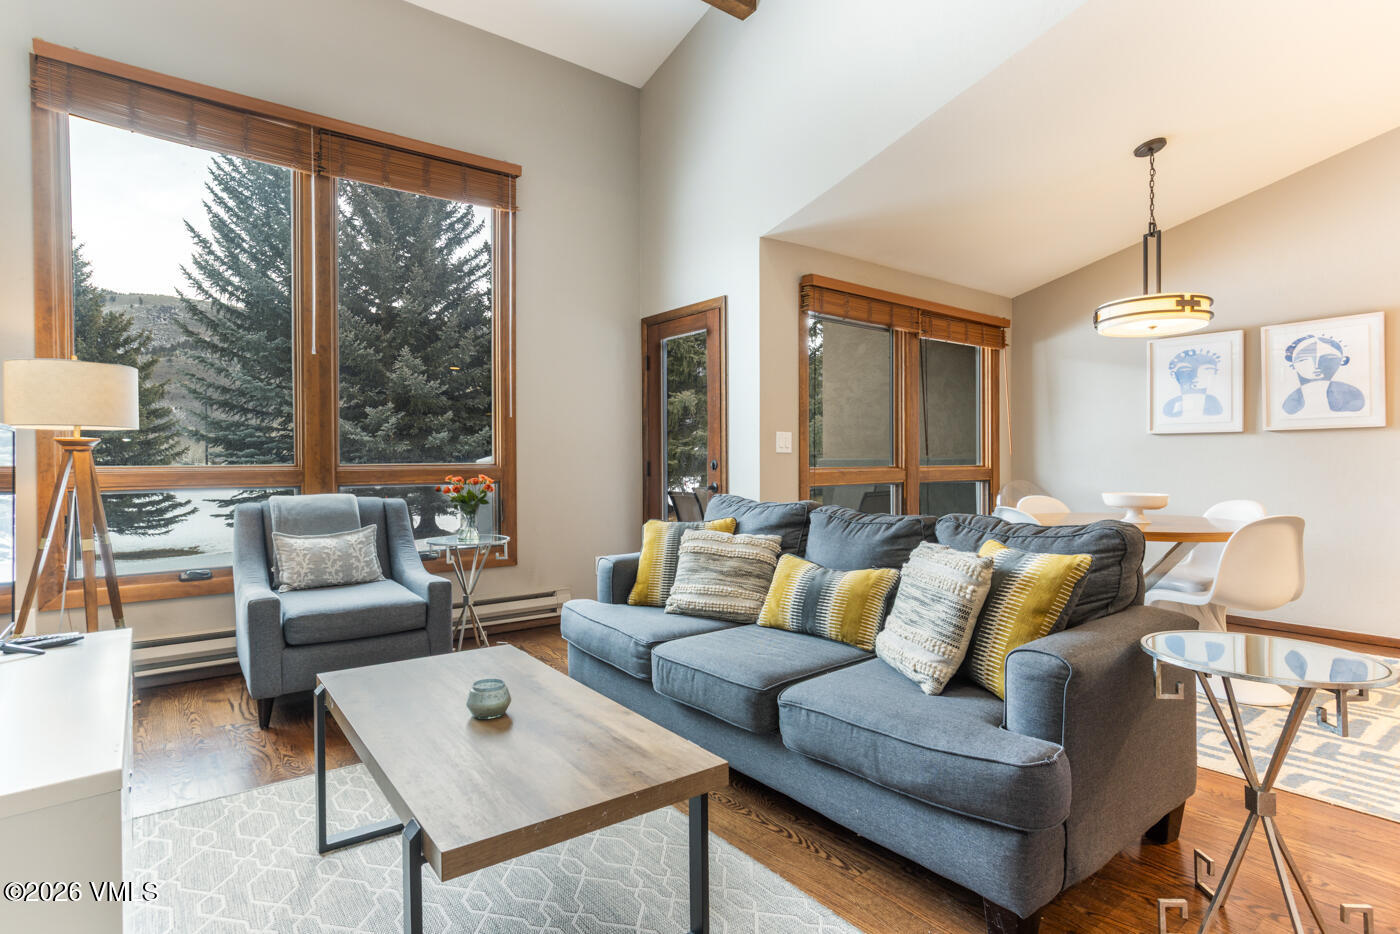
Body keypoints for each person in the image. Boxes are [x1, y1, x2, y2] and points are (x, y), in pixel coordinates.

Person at [1281, 334, 1365, 414]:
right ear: (1292, 363)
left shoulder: (1353, 396)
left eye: (1328, 358)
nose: (1316, 365)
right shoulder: (1290, 402)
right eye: (1303, 359)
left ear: (1343, 360)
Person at [1162, 347, 1222, 418]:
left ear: (1215, 373)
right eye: (1186, 370)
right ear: (1174, 375)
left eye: (1206, 371)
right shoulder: (1171, 407)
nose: (1195, 376)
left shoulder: (1215, 405)